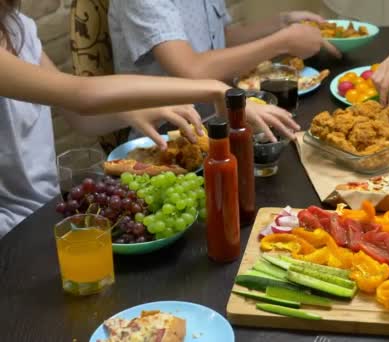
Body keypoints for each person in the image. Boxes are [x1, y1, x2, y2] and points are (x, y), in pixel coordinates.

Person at [0, 3, 296, 236]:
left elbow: (79, 116)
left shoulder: (16, 26)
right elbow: (80, 94)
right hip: (11, 233)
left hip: (49, 210)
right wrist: (217, 89)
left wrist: (132, 111)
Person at [108, 1, 340, 129]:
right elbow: (191, 69)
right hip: (172, 131)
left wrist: (282, 23)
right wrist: (283, 42)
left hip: (226, 113)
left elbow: (219, 38)